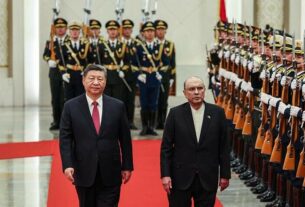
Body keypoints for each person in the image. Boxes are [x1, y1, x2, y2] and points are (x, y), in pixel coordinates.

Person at [59, 64, 133, 207]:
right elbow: (65, 139)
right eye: (91, 78)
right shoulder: (70, 106)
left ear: (105, 82)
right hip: (83, 170)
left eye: (100, 79)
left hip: (111, 171)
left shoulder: (117, 106)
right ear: (83, 80)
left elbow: (125, 139)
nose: (96, 82)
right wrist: (67, 164)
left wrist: (127, 165)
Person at [160, 76, 231, 207]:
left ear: (205, 90)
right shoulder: (175, 114)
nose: (197, 92)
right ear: (185, 93)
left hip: (207, 176)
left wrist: (225, 175)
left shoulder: (218, 113)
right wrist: (165, 175)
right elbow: (166, 148)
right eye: (192, 89)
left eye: (200, 88)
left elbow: (224, 147)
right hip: (180, 177)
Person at [43, 17, 68, 130]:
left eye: (62, 27)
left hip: (66, 73)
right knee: (55, 98)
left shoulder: (69, 41)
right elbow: (45, 54)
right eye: (58, 27)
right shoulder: (50, 41)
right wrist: (49, 60)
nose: (60, 29)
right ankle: (56, 121)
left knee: (65, 98)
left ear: (66, 28)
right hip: (54, 73)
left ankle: (64, 122)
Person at [154, 19, 176, 129]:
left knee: (163, 100)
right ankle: (153, 122)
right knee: (154, 100)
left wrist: (172, 77)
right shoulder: (151, 44)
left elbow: (173, 62)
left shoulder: (170, 45)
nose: (160, 32)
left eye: (162, 29)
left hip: (165, 76)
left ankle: (162, 122)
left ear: (165, 31)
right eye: (158, 29)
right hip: (153, 75)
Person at [121, 19, 138, 129]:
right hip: (120, 76)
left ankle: (130, 121)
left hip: (132, 75)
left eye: (129, 28)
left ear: (132, 30)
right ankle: (121, 122)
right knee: (120, 100)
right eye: (125, 28)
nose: (127, 30)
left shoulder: (136, 43)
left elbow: (138, 59)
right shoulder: (118, 42)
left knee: (130, 100)